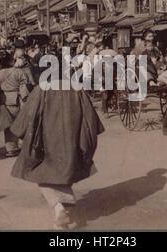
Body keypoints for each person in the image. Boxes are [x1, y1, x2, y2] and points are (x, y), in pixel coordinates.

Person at [10, 73, 104, 229]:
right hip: (71, 140)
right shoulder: (77, 89)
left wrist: (20, 133)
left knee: (43, 173)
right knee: (64, 173)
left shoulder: (42, 89)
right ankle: (63, 208)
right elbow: (90, 118)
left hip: (45, 143)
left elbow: (29, 115)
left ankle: (59, 207)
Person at [0, 56, 30, 157]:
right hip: (16, 100)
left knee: (8, 125)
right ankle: (23, 145)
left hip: (3, 100)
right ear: (11, 62)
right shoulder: (19, 72)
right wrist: (25, 100)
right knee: (21, 122)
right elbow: (24, 88)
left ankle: (11, 148)